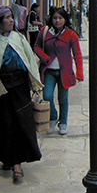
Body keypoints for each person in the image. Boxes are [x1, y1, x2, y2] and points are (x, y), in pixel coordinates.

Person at [0, 5, 43, 181]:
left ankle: (17, 162)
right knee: (4, 124)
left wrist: (36, 85)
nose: (11, 20)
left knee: (20, 123)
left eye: (12, 17)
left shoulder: (18, 38)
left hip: (19, 88)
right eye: (7, 18)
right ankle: (6, 157)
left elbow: (30, 59)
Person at [34, 8, 84, 136]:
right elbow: (36, 46)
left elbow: (77, 54)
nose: (57, 21)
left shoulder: (71, 34)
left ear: (65, 20)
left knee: (63, 99)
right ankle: (53, 117)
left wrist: (79, 73)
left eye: (60, 18)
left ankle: (63, 122)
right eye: (55, 18)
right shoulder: (44, 32)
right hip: (49, 71)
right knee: (47, 96)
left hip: (64, 71)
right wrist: (44, 57)